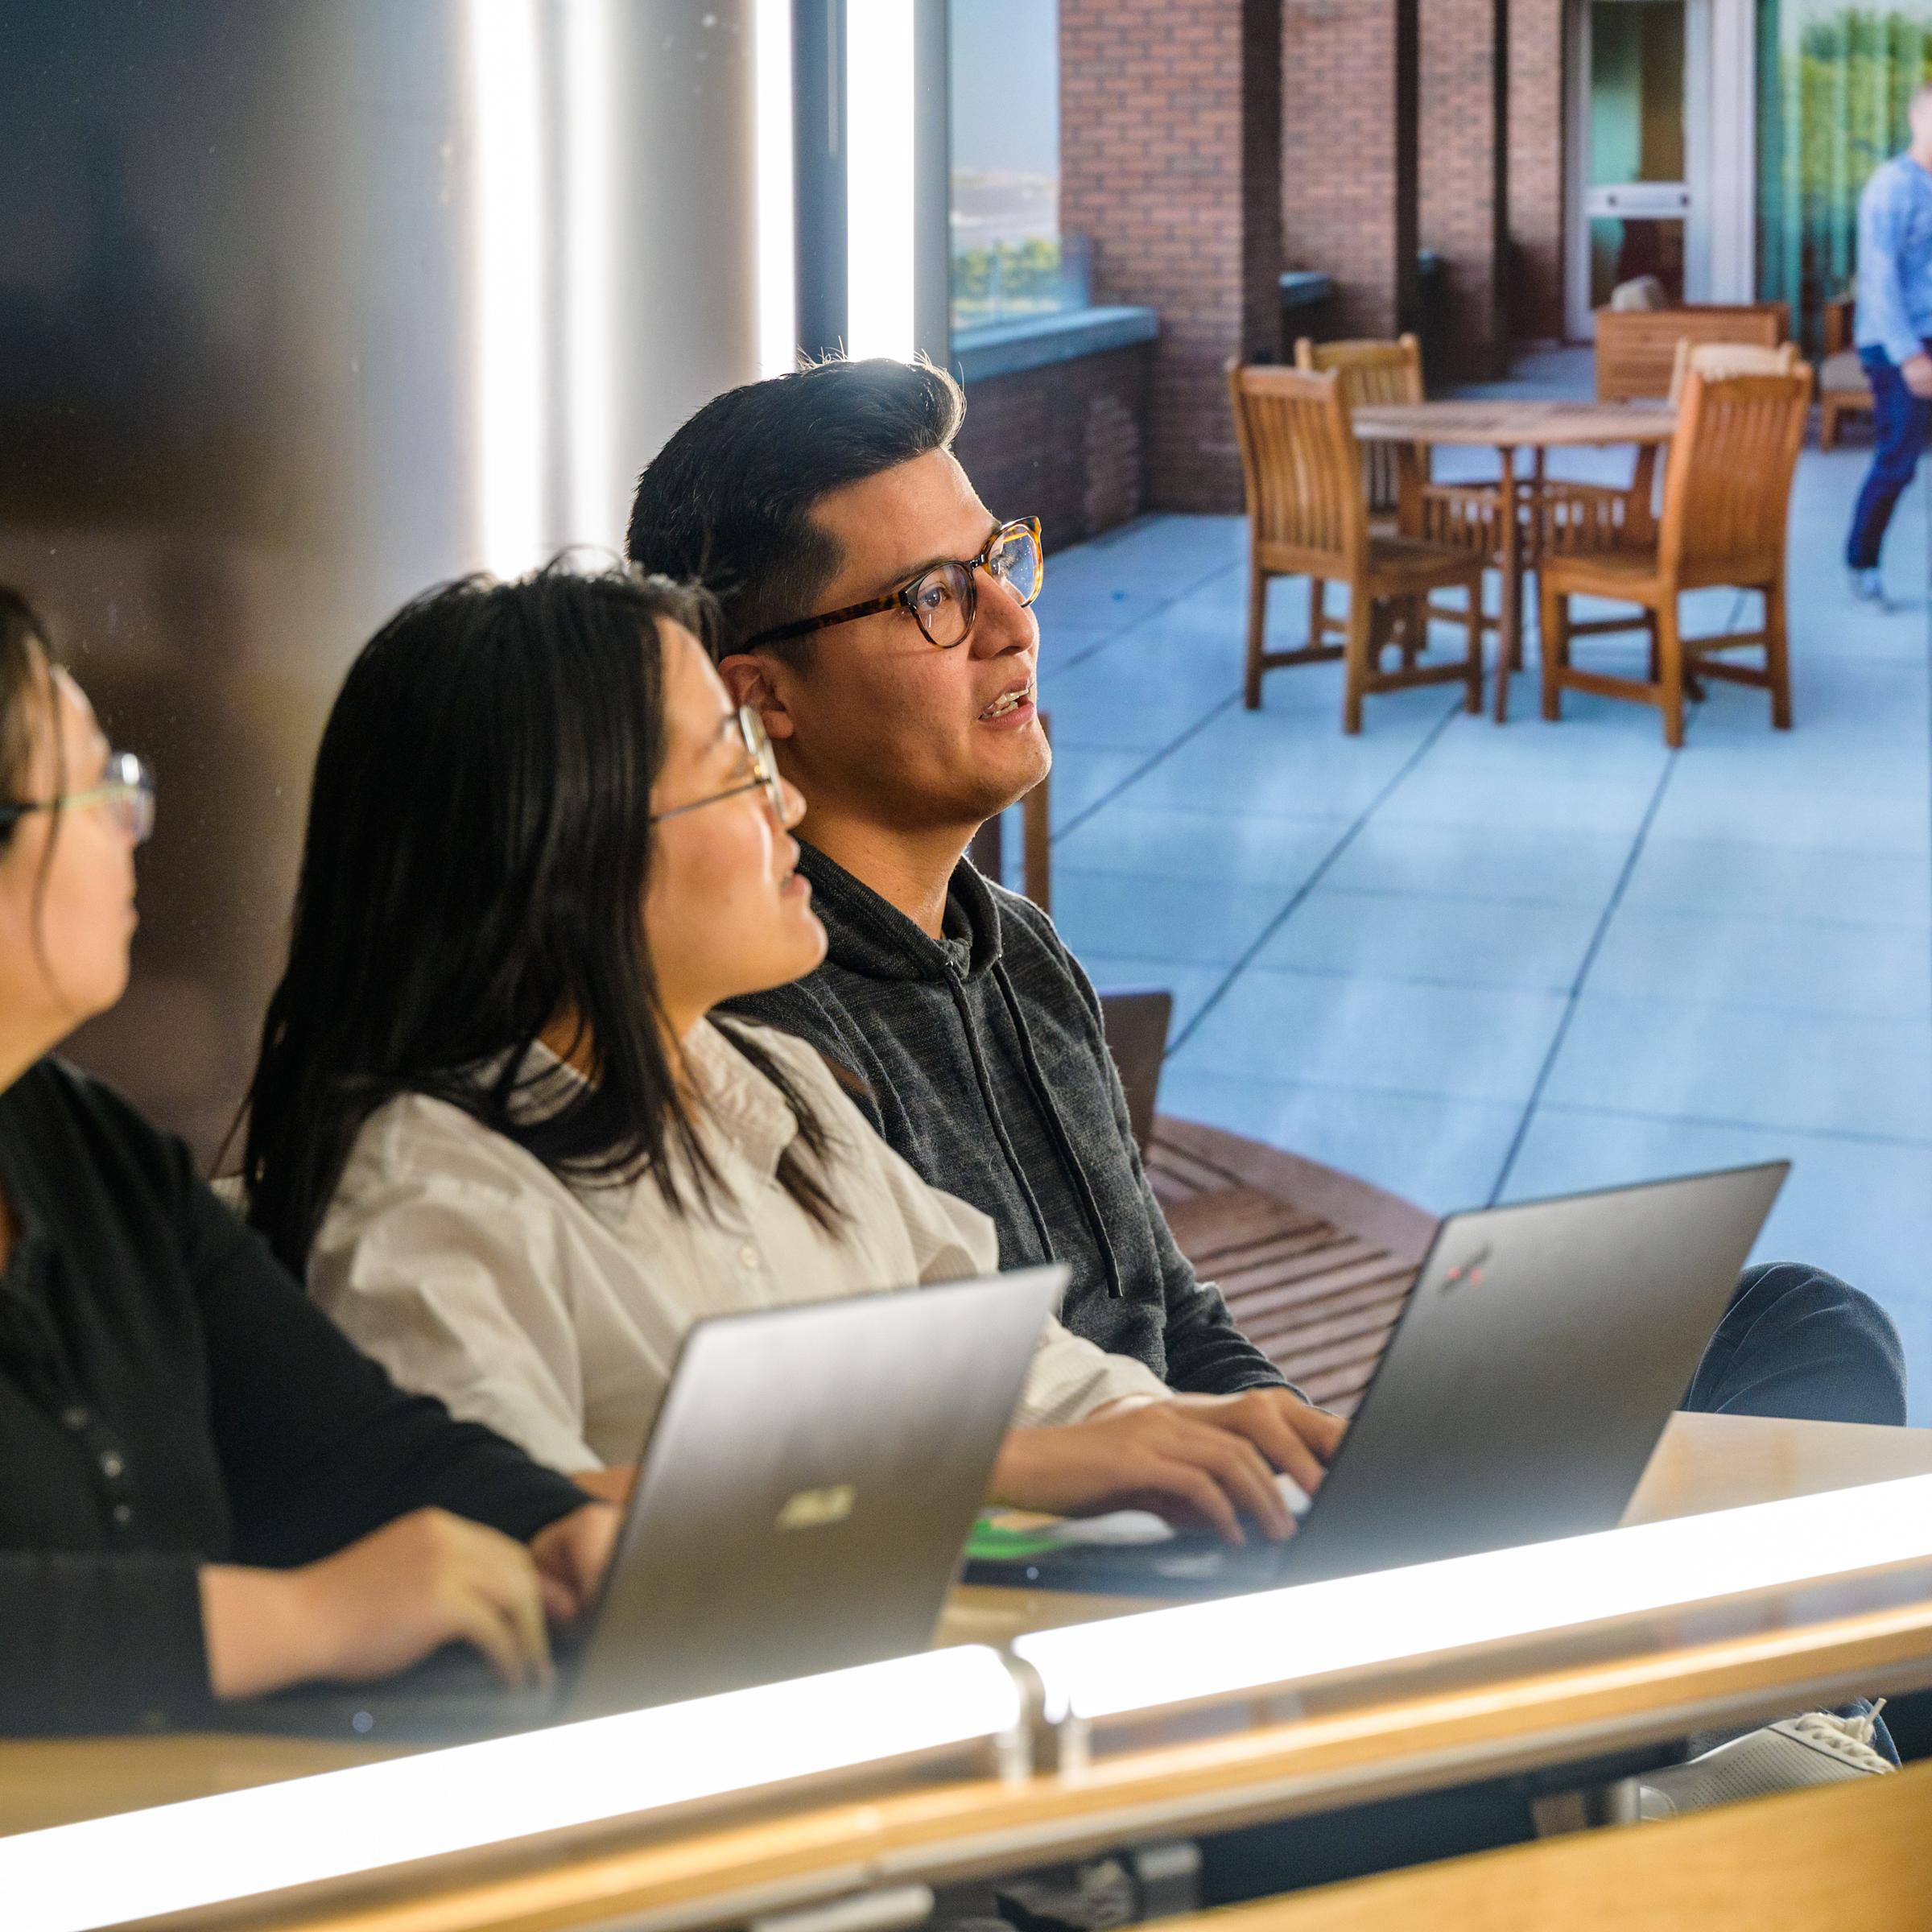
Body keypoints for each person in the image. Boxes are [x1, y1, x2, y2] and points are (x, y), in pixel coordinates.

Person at [625, 355, 1906, 1439]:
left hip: (1239, 1530)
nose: (1013, 621)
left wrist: (1294, 1453)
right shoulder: (765, 1048)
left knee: (1796, 1320)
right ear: (762, 697)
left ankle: (1792, 1710)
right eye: (936, 599)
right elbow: (907, 1475)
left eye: (997, 563)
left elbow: (1176, 1314)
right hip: (1115, 1621)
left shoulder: (1016, 950)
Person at [240, 565, 1330, 1543]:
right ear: (567, 837)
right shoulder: (431, 1191)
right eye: (737, 767)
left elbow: (1020, 1374)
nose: (790, 802)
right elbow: (500, 1524)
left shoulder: (776, 1087)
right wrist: (1004, 1468)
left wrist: (1231, 1444)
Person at [0, 588, 618, 1736]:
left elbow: (349, 1446)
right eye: (98, 788)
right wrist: (300, 1620)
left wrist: (556, 1530)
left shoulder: (98, 1156)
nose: (135, 825)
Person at [1847, 81, 1932, 605]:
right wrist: (1910, 356)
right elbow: (1877, 279)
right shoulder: (1893, 185)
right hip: (1896, 343)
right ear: (1916, 118)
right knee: (1898, 460)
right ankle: (1861, 563)